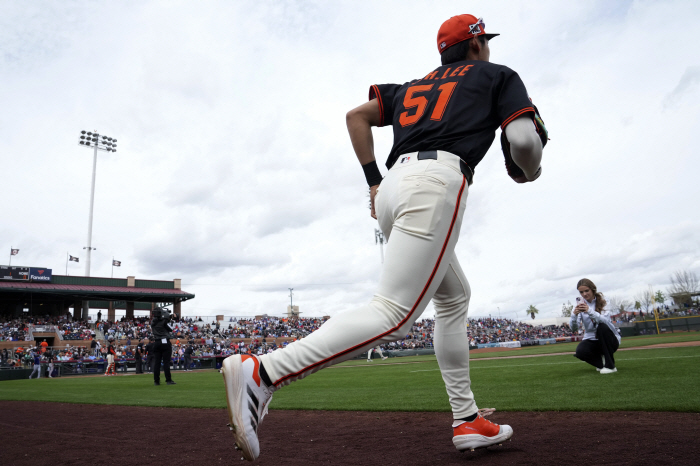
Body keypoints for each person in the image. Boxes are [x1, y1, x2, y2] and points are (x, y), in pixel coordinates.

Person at [221, 13, 545, 461]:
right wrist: (533, 170)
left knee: (454, 297)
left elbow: (356, 116)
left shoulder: (414, 86)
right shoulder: (497, 75)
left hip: (395, 186)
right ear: (475, 45)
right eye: (484, 42)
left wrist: (374, 181)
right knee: (394, 313)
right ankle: (263, 372)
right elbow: (524, 142)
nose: (487, 48)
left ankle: (467, 419)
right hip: (436, 181)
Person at [570, 278, 621, 374]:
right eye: (581, 292)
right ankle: (602, 363)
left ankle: (610, 366)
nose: (584, 294)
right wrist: (574, 315)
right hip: (592, 340)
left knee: (601, 327)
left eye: (586, 290)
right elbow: (574, 329)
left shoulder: (604, 301)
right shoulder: (579, 305)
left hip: (609, 339)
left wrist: (589, 311)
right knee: (580, 352)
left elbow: (605, 321)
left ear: (592, 289)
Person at [150, 308, 176, 386]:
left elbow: (159, 319)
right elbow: (170, 329)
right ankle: (168, 380)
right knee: (166, 362)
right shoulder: (164, 322)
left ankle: (156, 381)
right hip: (165, 342)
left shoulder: (153, 323)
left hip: (156, 342)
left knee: (157, 363)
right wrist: (171, 318)